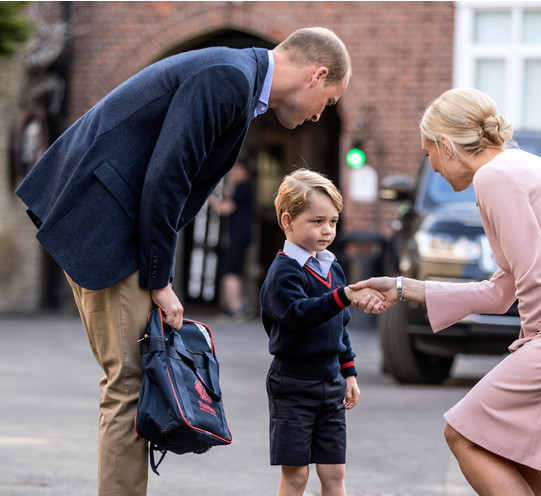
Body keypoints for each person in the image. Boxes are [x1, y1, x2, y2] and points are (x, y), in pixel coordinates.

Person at [15, 27, 351, 496]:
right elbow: (167, 179)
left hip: (110, 225)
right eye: (329, 101)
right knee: (130, 385)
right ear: (317, 75)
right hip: (109, 230)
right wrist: (161, 279)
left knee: (129, 381)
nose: (321, 115)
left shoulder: (237, 77)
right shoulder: (228, 78)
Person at [351, 88, 541, 494]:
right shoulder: (534, 168)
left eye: (428, 154)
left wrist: (531, 340)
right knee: (505, 443)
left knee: (463, 433)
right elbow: (501, 289)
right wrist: (402, 287)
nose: (432, 165)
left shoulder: (494, 177)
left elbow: (533, 275)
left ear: (447, 145)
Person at [260, 169, 384, 496]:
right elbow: (299, 315)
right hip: (294, 384)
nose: (327, 230)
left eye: (333, 221)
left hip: (331, 384)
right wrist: (342, 297)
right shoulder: (282, 274)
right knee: (296, 475)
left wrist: (350, 373)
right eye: (317, 221)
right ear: (288, 221)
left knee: (334, 474)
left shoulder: (333, 268)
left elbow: (339, 326)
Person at [208, 159, 255, 321]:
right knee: (234, 269)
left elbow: (225, 209)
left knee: (228, 270)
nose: (234, 173)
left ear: (246, 172)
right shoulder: (242, 189)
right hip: (241, 236)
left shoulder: (243, 188)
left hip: (238, 236)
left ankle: (236, 309)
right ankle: (242, 304)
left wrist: (207, 198)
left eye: (238, 170)